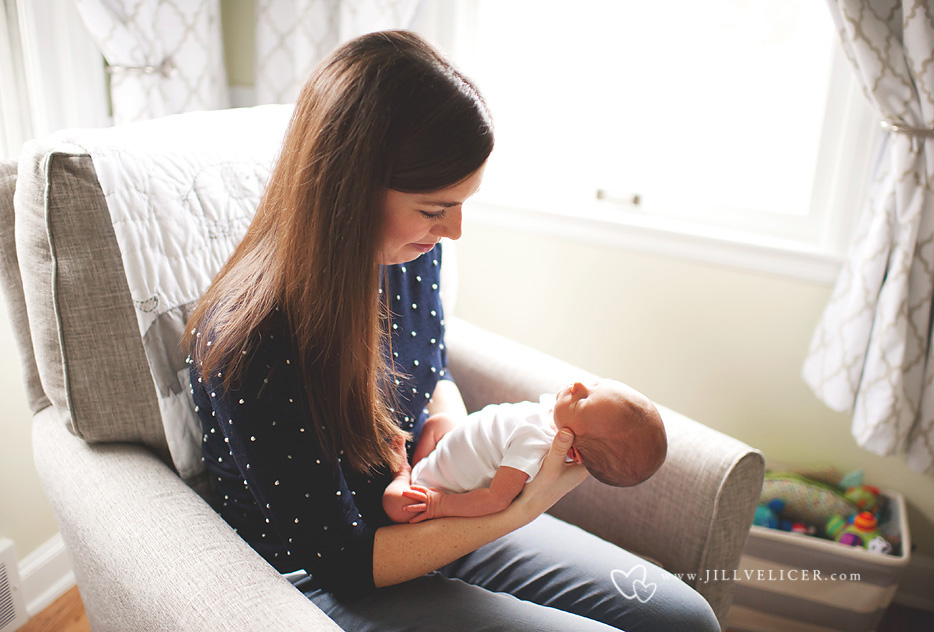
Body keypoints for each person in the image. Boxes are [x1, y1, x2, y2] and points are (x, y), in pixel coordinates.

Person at [185, 30, 720, 631]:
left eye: (465, 203)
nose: (455, 231)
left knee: (684, 619)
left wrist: (447, 419)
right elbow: (342, 560)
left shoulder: (408, 255)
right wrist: (517, 509)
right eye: (436, 209)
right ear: (349, 192)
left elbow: (429, 363)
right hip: (333, 573)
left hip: (431, 508)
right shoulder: (253, 340)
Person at [383, 380, 667, 524]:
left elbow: (496, 499)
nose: (578, 385)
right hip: (451, 447)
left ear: (573, 450)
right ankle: (421, 464)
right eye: (594, 384)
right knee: (440, 422)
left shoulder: (536, 445)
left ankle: (404, 473)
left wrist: (439, 504)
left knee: (396, 506)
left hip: (436, 488)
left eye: (582, 402)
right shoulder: (553, 415)